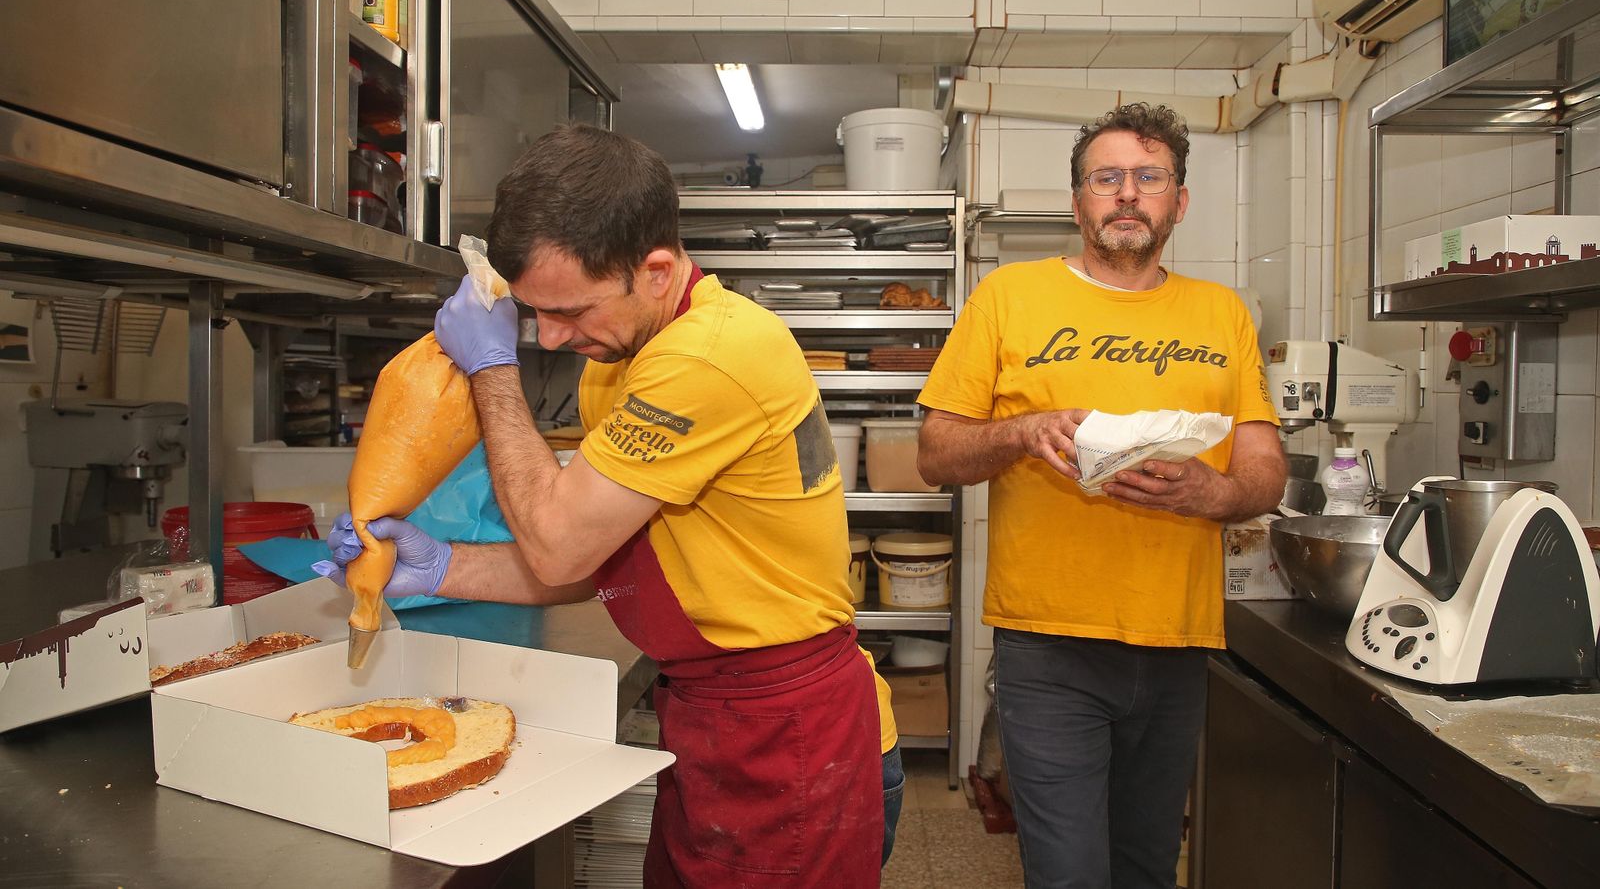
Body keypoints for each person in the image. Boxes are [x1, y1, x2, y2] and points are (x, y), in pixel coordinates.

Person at [319, 122, 901, 887]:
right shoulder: (619, 357)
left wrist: (493, 369)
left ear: (656, 271)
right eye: (533, 312)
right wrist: (438, 567)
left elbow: (558, 543)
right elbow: (586, 554)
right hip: (710, 718)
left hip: (788, 733)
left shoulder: (710, 356)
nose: (551, 337)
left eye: (570, 310)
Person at [915, 103, 1286, 889]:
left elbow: (1266, 472)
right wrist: (1024, 431)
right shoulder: (1008, 298)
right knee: (1070, 874)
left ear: (1179, 201)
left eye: (1149, 177)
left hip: (1178, 641)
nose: (1127, 193)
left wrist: (1212, 490)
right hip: (1049, 646)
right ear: (1078, 200)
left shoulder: (1223, 314)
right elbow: (935, 452)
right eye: (1106, 177)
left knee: (1147, 868)